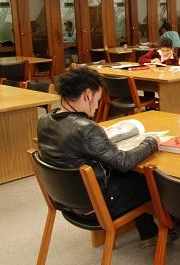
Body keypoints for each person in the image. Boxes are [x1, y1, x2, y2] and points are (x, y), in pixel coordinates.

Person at [37, 67, 159, 245]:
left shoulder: (44, 120)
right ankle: (165, 230)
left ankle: (149, 233)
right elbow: (123, 162)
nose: (96, 106)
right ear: (87, 95)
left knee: (127, 175)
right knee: (148, 179)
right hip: (96, 206)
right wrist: (151, 142)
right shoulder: (86, 128)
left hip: (65, 201)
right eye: (97, 100)